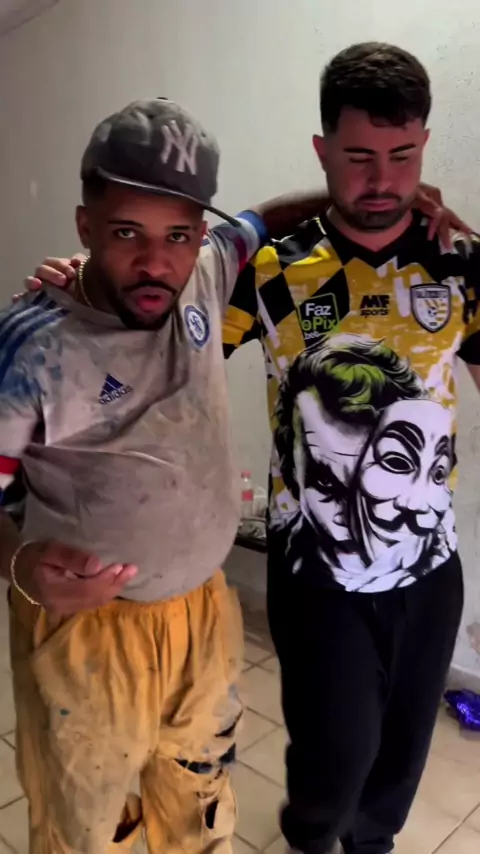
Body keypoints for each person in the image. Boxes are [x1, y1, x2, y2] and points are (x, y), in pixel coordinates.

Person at [21, 56, 470, 854]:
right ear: (322, 151)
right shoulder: (266, 270)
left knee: (386, 768)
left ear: (424, 149)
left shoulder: (459, 263)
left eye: (402, 157)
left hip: (419, 571)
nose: (381, 180)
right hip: (311, 575)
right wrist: (78, 284)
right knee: (328, 767)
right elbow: (154, 318)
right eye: (358, 156)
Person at [0, 96, 350, 854]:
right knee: (85, 828)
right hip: (86, 638)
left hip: (203, 617)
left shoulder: (205, 275)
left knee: (198, 808)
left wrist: (365, 193)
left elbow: (264, 218)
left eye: (178, 235)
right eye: (127, 233)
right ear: (85, 227)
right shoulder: (33, 349)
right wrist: (21, 565)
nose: (156, 264)